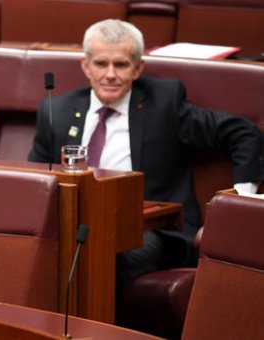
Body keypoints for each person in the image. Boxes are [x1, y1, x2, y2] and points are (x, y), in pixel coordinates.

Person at [28, 19, 263, 292]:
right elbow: (35, 177)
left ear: (138, 68)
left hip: (155, 231)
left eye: (122, 64)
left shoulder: (164, 104)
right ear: (86, 66)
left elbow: (244, 133)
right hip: (80, 227)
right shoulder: (57, 111)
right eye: (101, 64)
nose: (111, 74)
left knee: (104, 257)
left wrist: (240, 200)